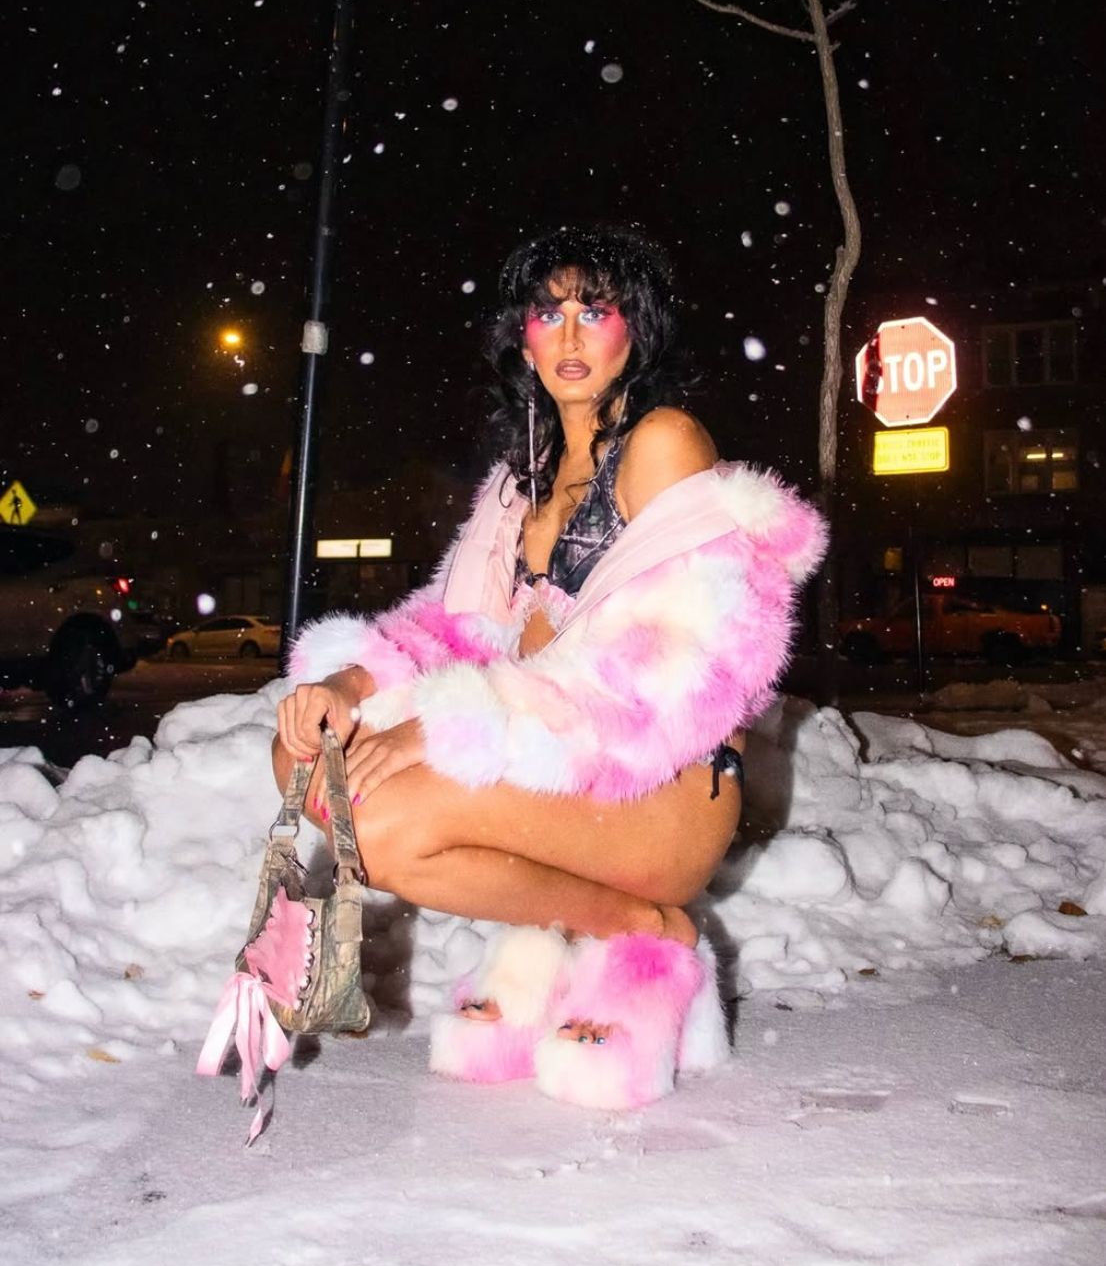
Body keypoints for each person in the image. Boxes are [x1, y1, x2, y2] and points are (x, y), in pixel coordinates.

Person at [273, 225, 826, 1109]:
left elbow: (667, 674)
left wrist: (454, 725)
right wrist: (349, 684)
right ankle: (574, 941)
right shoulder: (520, 479)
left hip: (665, 786)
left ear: (634, 330)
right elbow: (455, 632)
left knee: (376, 827)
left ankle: (648, 929)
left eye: (595, 310)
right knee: (312, 763)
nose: (569, 335)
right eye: (548, 311)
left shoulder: (663, 443)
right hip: (560, 766)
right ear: (521, 335)